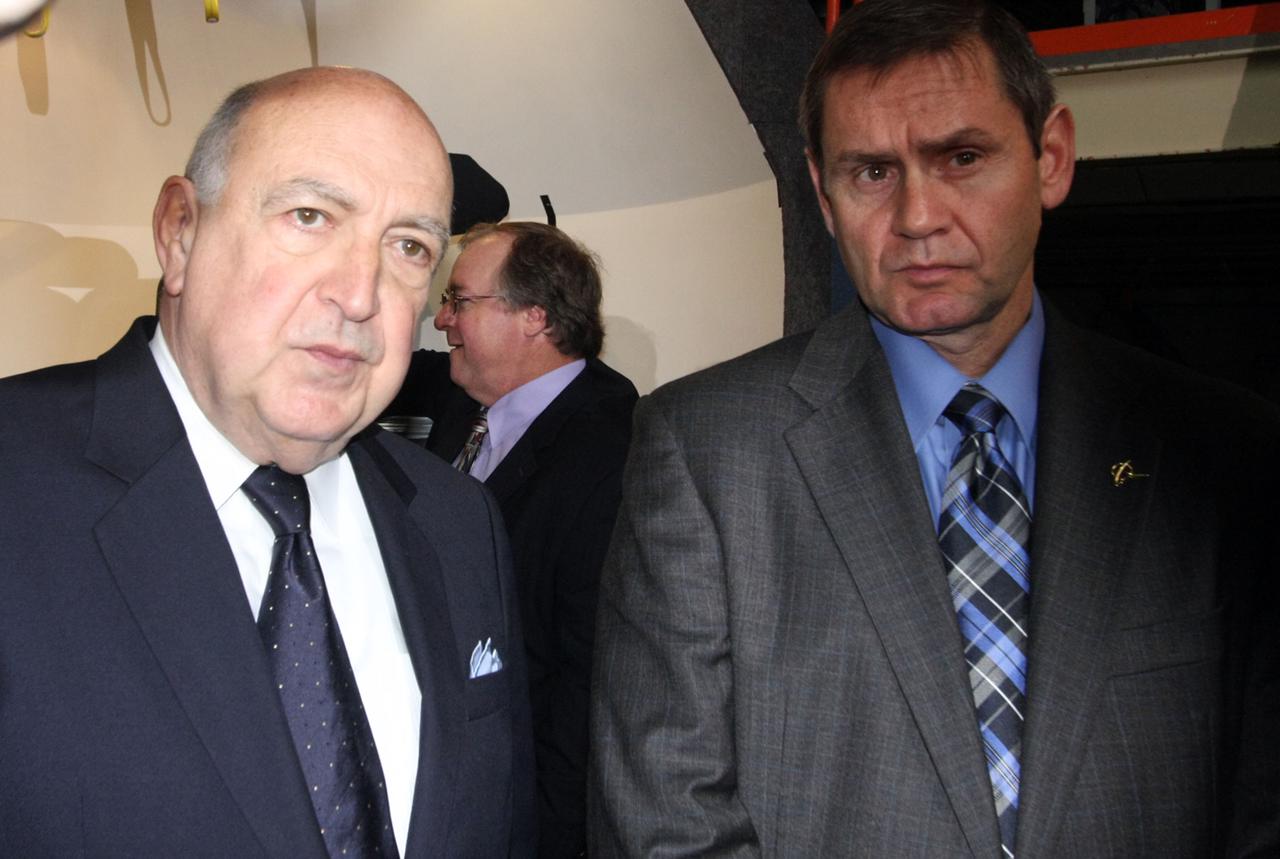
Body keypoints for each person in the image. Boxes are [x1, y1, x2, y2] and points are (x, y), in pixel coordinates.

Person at [589, 1, 1279, 856]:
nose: (918, 216)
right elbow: (665, 823)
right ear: (823, 195)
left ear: (1052, 158)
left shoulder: (1222, 455)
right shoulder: (706, 454)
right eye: (873, 172)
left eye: (962, 158)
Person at [0, 67, 535, 857]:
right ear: (180, 233)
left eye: (409, 247)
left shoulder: (458, 522)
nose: (361, 293)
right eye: (310, 215)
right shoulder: (16, 486)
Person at [388, 221, 637, 857]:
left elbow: (588, 683)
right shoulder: (460, 400)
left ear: (535, 316)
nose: (442, 319)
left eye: (459, 300)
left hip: (522, 812)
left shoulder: (611, 455)